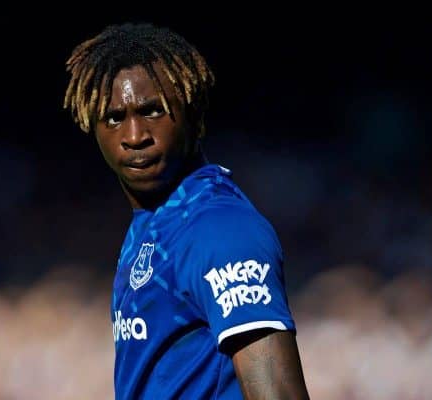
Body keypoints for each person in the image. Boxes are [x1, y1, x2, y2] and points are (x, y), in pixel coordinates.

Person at [63, 22, 310, 399]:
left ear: (194, 116)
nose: (134, 136)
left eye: (152, 111)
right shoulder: (153, 224)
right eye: (114, 117)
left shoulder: (220, 230)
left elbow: (278, 393)